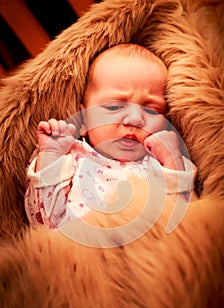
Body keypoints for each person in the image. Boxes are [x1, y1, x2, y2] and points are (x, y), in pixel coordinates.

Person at [25, 44, 196, 229]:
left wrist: (172, 162)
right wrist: (50, 156)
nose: (135, 119)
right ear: (84, 120)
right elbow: (44, 223)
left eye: (152, 110)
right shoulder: (72, 160)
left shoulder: (163, 164)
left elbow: (183, 222)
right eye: (114, 107)